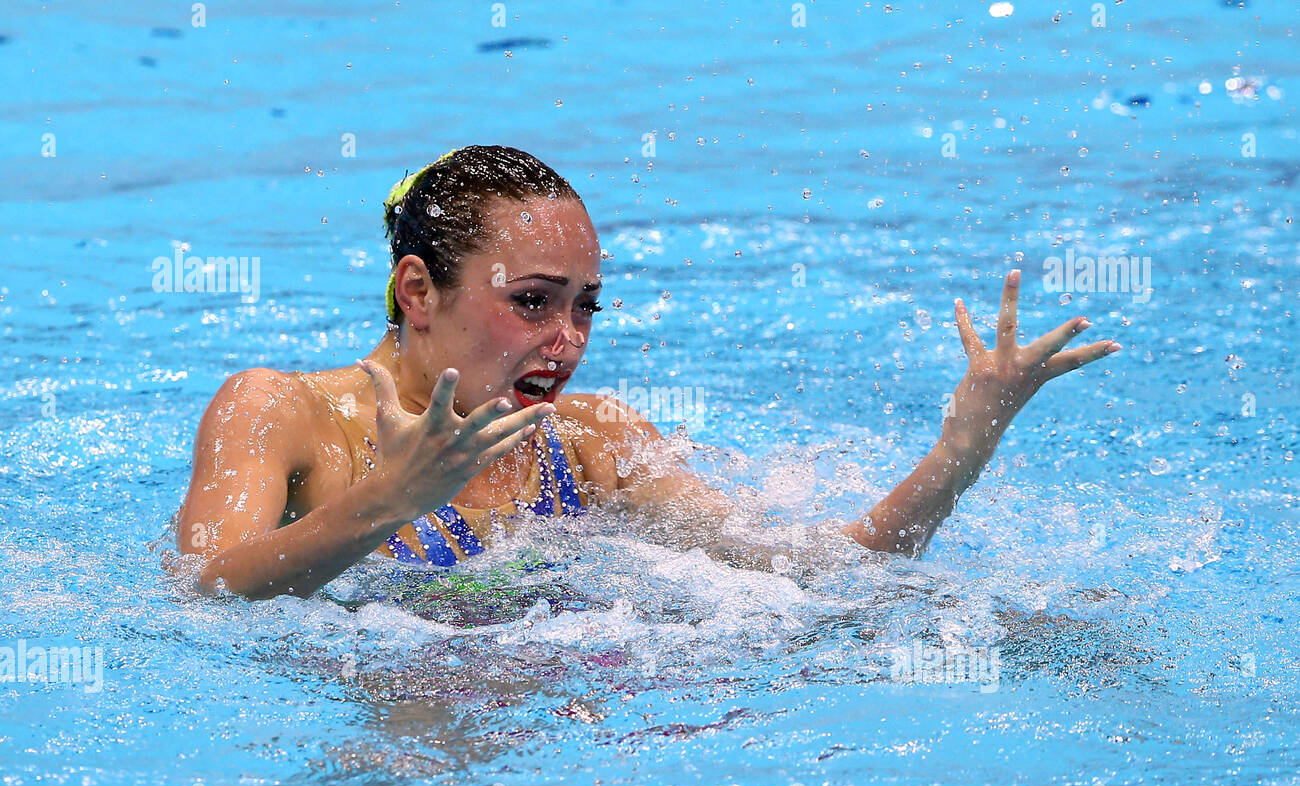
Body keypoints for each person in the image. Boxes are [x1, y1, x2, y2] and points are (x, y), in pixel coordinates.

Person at [175, 145, 1120, 600]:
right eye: (534, 301)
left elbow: (823, 575)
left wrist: (962, 448)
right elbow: (198, 595)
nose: (569, 340)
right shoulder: (281, 412)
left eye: (587, 304)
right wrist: (387, 502)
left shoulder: (591, 442)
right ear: (418, 290)